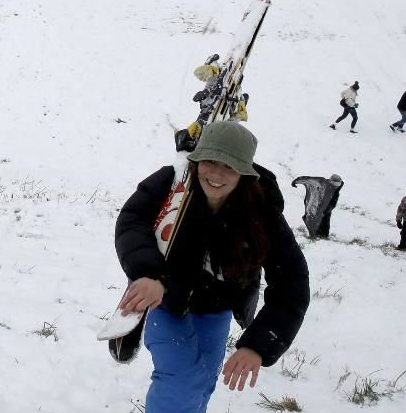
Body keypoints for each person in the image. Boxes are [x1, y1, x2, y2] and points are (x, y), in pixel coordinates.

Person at [115, 121, 309, 413]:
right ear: (197, 160)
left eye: (229, 167)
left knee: (203, 381)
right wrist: (148, 273)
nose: (216, 174)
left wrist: (257, 345)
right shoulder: (173, 184)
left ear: (244, 171)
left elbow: (292, 280)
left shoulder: (261, 210)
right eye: (210, 162)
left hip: (216, 308)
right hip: (164, 301)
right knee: (182, 381)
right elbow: (131, 221)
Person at [290, 174, 342, 239]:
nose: (335, 187)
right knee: (314, 226)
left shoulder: (336, 192)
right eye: (334, 186)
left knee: (324, 233)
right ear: (330, 182)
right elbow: (309, 179)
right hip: (318, 207)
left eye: (336, 186)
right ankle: (314, 235)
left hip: (326, 211)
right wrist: (296, 181)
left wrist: (324, 212)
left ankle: (321, 237)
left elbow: (332, 204)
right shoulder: (322, 182)